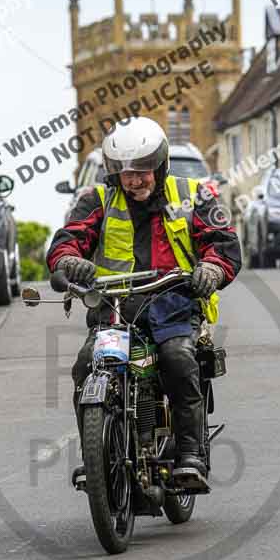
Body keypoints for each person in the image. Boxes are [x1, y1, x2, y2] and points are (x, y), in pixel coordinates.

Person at [47, 117, 242, 490]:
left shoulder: (194, 194)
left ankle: (189, 455)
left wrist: (211, 271)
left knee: (178, 359)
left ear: (160, 165)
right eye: (125, 173)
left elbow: (224, 245)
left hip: (174, 302)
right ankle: (96, 459)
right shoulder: (96, 199)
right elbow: (67, 240)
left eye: (142, 171)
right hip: (116, 306)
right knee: (86, 365)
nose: (134, 180)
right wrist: (69, 260)